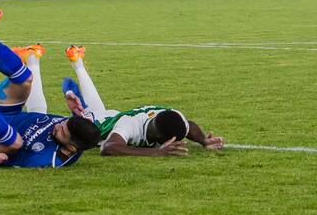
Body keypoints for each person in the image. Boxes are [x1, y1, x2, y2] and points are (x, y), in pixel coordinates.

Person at [0, 9, 101, 168]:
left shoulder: (50, 160)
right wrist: (70, 94)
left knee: (16, 143)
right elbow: (68, 83)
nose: (58, 125)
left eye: (62, 132)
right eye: (64, 123)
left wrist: (2, 158)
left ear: (71, 148)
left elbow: (17, 161)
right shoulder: (82, 124)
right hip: (6, 112)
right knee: (26, 79)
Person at [58, 45, 223, 157]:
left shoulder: (169, 117)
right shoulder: (130, 125)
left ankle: (77, 60)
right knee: (86, 111)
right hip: (96, 124)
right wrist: (156, 153)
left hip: (112, 116)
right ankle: (57, 63)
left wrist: (203, 140)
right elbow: (108, 148)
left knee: (99, 109)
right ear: (158, 135)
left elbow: (189, 126)